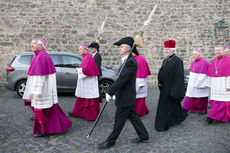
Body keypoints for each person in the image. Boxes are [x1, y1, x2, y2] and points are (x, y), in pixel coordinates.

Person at [98, 37, 149, 149]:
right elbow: (121, 79)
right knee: (134, 118)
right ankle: (144, 136)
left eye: (121, 47)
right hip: (126, 95)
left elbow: (122, 79)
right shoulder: (127, 60)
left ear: (128, 48)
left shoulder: (130, 62)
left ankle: (111, 141)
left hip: (126, 97)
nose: (119, 49)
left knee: (119, 121)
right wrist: (116, 92)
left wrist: (110, 91)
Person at [23, 38, 72, 137]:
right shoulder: (39, 55)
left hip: (42, 91)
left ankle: (44, 131)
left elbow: (40, 76)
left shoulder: (41, 56)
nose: (31, 45)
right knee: (51, 110)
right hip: (44, 90)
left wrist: (34, 91)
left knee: (42, 112)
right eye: (31, 43)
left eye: (34, 43)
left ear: (41, 45)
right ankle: (58, 126)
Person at [155, 39, 187, 132]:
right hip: (164, 87)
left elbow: (179, 77)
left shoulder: (178, 61)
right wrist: (160, 81)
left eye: (168, 49)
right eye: (165, 49)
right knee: (174, 106)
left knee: (166, 107)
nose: (166, 51)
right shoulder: (166, 60)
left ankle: (162, 125)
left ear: (173, 50)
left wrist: (175, 91)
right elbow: (163, 72)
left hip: (171, 89)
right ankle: (178, 118)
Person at [68, 44, 100, 121]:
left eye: (80, 49)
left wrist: (78, 70)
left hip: (88, 83)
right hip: (86, 82)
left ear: (85, 49)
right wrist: (80, 69)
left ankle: (91, 116)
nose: (79, 51)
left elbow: (87, 70)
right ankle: (79, 112)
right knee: (82, 98)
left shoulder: (88, 57)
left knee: (89, 98)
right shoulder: (86, 57)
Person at [205, 45, 230, 124]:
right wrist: (209, 85)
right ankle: (213, 116)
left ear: (223, 51)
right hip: (215, 84)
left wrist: (228, 85)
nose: (217, 51)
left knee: (224, 102)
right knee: (216, 101)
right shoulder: (213, 61)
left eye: (219, 50)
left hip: (224, 84)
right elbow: (209, 75)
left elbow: (229, 75)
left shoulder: (228, 60)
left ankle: (216, 117)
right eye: (216, 50)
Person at [182, 50, 210, 114]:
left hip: (200, 83)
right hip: (193, 82)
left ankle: (203, 109)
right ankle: (189, 108)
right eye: (192, 54)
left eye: (194, 54)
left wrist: (197, 84)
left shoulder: (204, 62)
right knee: (190, 95)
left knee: (202, 96)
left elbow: (203, 75)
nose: (193, 56)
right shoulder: (194, 62)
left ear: (199, 55)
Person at [132, 48, 151, 116]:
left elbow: (140, 71)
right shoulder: (140, 57)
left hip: (139, 81)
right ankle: (145, 110)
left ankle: (139, 113)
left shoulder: (138, 59)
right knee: (140, 98)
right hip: (139, 80)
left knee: (139, 99)